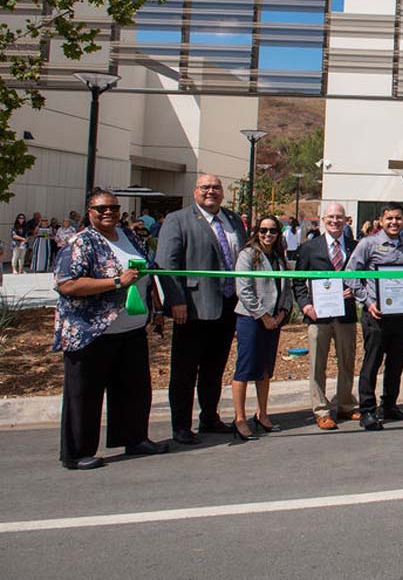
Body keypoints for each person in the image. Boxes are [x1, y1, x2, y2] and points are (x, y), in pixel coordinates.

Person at [53, 190, 168, 470]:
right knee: (85, 394)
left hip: (131, 329)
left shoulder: (129, 237)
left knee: (134, 389)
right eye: (101, 208)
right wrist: (116, 282)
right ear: (89, 212)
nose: (108, 213)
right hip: (92, 332)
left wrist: (157, 308)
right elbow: (67, 283)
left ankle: (134, 438)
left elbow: (146, 272)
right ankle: (77, 453)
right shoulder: (81, 242)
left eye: (114, 208)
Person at [157, 173, 248, 444]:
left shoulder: (233, 220)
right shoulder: (178, 220)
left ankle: (209, 417)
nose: (211, 191)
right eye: (205, 187)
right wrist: (176, 300)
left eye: (216, 187)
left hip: (228, 306)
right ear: (195, 191)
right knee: (185, 371)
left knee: (214, 368)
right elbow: (166, 264)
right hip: (192, 308)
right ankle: (181, 426)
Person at [346, 203, 403, 431]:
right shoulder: (368, 244)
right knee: (372, 363)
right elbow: (350, 275)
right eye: (390, 218)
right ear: (381, 221)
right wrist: (367, 301)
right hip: (376, 315)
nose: (394, 222)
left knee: (396, 363)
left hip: (401, 316)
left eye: (398, 218)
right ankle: (367, 410)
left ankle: (389, 405)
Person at [293, 202, 359, 430]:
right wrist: (305, 306)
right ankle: (321, 410)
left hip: (346, 315)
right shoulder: (309, 248)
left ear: (346, 220)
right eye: (330, 217)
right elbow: (298, 281)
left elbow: (364, 276)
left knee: (347, 362)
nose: (335, 221)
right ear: (323, 220)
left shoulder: (355, 247)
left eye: (339, 217)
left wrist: (356, 290)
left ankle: (345, 404)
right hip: (318, 316)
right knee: (317, 365)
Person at [231, 215, 292, 441]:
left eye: (273, 230)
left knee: (265, 370)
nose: (268, 234)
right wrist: (264, 316)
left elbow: (286, 288)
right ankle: (240, 419)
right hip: (251, 319)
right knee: (245, 369)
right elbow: (244, 290)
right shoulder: (247, 255)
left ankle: (262, 414)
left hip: (274, 320)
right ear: (257, 231)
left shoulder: (279, 257)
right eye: (264, 230)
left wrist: (282, 313)